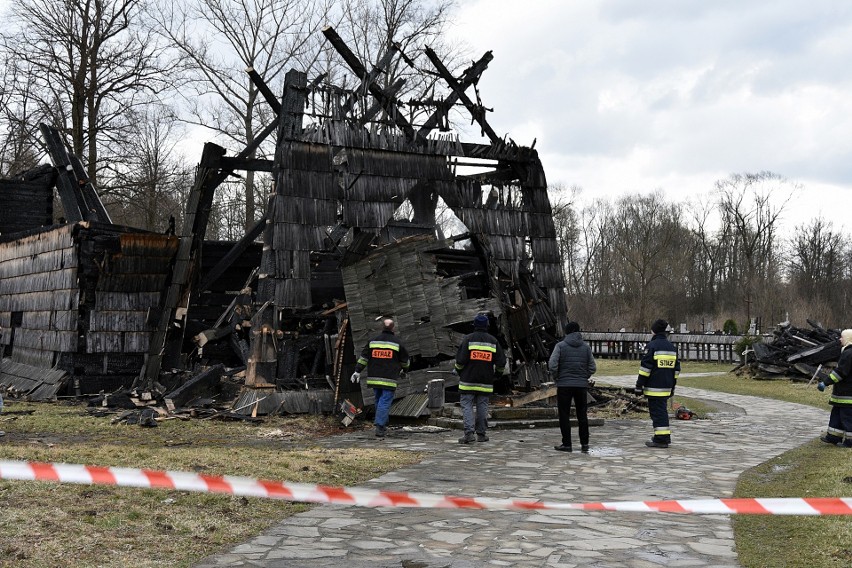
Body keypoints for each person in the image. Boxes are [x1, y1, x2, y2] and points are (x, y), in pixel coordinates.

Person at [351, 318, 410, 438]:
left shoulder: (373, 341)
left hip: (374, 377)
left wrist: (357, 371)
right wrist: (405, 370)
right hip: (389, 379)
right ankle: (380, 426)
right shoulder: (397, 343)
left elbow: (364, 358)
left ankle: (382, 422)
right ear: (393, 328)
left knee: (379, 399)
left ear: (382, 328)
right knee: (385, 401)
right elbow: (405, 362)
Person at [454, 314, 507, 444]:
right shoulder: (493, 341)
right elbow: (501, 363)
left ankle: (469, 434)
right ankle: (481, 434)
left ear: (474, 325)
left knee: (467, 406)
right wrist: (497, 375)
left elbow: (460, 361)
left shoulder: (468, 339)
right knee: (482, 406)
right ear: (487, 326)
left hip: (468, 381)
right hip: (485, 381)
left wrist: (458, 371)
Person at [548, 321, 597, 453]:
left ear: (567, 332)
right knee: (582, 415)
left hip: (564, 385)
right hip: (581, 386)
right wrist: (583, 377)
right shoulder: (586, 347)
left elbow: (552, 365)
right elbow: (593, 367)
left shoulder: (560, 346)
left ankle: (567, 444)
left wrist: (557, 377)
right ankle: (585, 444)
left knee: (564, 414)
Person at [635, 318, 680, 448]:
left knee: (657, 413)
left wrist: (639, 385)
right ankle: (662, 436)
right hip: (666, 387)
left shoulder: (652, 347)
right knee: (662, 411)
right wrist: (673, 386)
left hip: (654, 387)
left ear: (654, 331)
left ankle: (661, 439)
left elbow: (645, 369)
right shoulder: (672, 348)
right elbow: (676, 370)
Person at [817, 328, 852, 448]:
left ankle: (849, 442)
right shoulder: (847, 352)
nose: (840, 339)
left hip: (847, 394)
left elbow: (840, 373)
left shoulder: (849, 353)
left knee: (847, 418)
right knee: (836, 415)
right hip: (841, 394)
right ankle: (833, 437)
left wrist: (825, 382)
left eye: (842, 337)